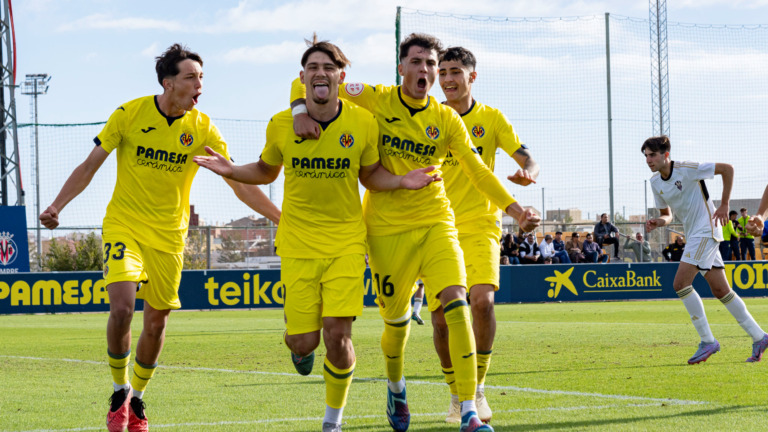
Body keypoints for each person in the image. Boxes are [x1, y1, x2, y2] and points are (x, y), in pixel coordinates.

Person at [289, 33, 540, 432]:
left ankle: (469, 411)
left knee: (459, 301)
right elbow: (316, 80)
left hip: (438, 222)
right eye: (418, 62)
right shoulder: (375, 97)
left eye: (431, 65)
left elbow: (477, 171)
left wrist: (514, 209)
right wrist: (300, 109)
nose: (425, 71)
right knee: (396, 324)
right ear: (401, 68)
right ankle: (396, 384)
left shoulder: (446, 119)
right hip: (387, 230)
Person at [195, 37, 439, 432]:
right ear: (302, 78)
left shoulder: (363, 122)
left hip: (346, 240)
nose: (320, 73)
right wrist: (233, 169)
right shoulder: (281, 124)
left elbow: (370, 174)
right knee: (304, 342)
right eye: (313, 67)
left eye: (329, 67)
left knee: (338, 335)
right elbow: (266, 170)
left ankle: (332, 422)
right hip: (298, 243)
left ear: (342, 77)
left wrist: (401, 181)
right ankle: (299, 345)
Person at [38, 44, 282, 432]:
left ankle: (136, 398)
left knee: (156, 322)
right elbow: (89, 167)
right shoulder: (129, 114)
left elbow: (237, 180)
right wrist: (57, 206)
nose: (199, 83)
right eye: (191, 77)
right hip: (125, 225)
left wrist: (279, 218)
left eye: (202, 77)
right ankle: (119, 390)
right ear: (168, 84)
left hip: (169, 238)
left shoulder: (203, 128)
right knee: (121, 307)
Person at [431, 45, 541, 424]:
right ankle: (455, 394)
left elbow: (526, 156)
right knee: (442, 320)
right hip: (435, 225)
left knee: (482, 303)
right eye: (442, 72)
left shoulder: (491, 119)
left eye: (455, 72)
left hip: (481, 223)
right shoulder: (427, 117)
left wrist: (529, 173)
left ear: (472, 76)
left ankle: (475, 390)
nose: (447, 79)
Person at [643, 135, 768, 364]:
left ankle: (708, 341)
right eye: (646, 156)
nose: (648, 160)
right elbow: (667, 214)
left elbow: (727, 169)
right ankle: (760, 337)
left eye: (652, 155)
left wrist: (724, 204)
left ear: (666, 155)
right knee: (721, 291)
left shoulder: (687, 168)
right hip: (694, 235)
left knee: (680, 284)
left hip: (707, 230)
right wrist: (658, 222)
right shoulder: (655, 183)